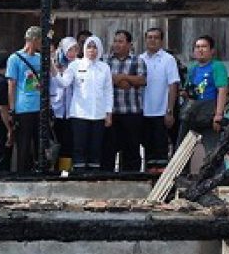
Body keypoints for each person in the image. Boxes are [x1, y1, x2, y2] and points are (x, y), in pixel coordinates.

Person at [55, 35, 112, 170]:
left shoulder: (104, 67)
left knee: (96, 147)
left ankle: (94, 176)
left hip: (98, 114)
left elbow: (108, 91)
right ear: (84, 49)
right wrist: (54, 70)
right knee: (79, 147)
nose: (92, 50)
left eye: (95, 47)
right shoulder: (75, 65)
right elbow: (64, 83)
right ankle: (79, 175)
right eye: (89, 47)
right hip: (79, 114)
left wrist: (108, 113)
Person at [102, 30, 147, 173]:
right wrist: (125, 79)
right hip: (111, 113)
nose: (116, 44)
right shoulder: (106, 60)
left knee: (132, 148)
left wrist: (121, 77)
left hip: (132, 112)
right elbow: (104, 80)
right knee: (108, 149)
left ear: (129, 44)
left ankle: (131, 177)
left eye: (120, 41)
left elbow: (142, 80)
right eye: (115, 41)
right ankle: (107, 177)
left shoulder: (137, 60)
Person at [139, 27, 180, 173]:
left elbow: (173, 85)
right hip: (143, 111)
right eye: (149, 37)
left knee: (161, 150)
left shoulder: (168, 60)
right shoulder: (140, 59)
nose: (152, 40)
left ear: (161, 41)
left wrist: (169, 111)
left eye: (156, 37)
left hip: (161, 111)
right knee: (148, 149)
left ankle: (161, 182)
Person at [180, 35, 228, 152]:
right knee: (182, 149)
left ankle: (216, 171)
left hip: (209, 113)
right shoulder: (193, 68)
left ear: (212, 51)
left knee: (212, 150)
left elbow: (222, 89)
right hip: (192, 112)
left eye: (204, 47)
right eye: (197, 47)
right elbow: (189, 91)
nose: (200, 49)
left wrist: (218, 115)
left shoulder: (217, 66)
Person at [6, 26, 44, 172]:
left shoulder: (40, 58)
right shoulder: (15, 59)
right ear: (34, 40)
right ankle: (22, 172)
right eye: (40, 40)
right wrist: (12, 109)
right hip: (24, 107)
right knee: (23, 144)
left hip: (39, 106)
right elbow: (12, 85)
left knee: (38, 145)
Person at [50, 38, 78, 171]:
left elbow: (66, 83)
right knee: (53, 144)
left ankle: (64, 172)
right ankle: (51, 170)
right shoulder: (52, 65)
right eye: (70, 49)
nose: (73, 53)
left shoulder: (77, 65)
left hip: (71, 112)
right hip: (54, 111)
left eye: (75, 49)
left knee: (67, 145)